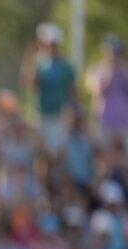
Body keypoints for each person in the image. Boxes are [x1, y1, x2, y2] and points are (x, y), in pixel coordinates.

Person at [21, 23, 76, 154]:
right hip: (39, 114)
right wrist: (33, 60)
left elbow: (72, 91)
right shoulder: (38, 63)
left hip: (59, 115)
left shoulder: (66, 66)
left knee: (58, 152)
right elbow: (30, 85)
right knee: (40, 151)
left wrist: (72, 111)